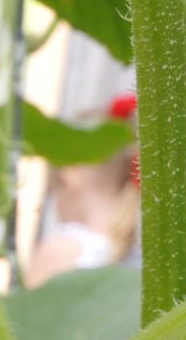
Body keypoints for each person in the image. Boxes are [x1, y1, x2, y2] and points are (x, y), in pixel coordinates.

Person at [22, 91, 143, 289]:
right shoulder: (141, 262)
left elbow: (24, 320)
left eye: (55, 190)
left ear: (70, 172)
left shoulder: (60, 252)